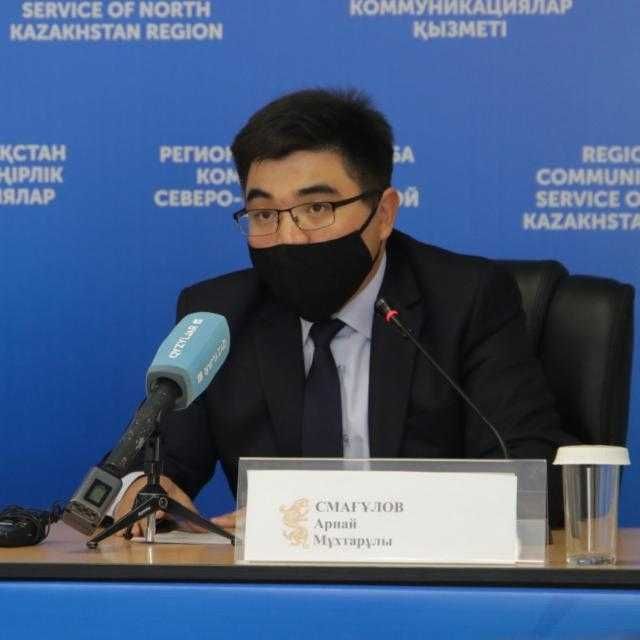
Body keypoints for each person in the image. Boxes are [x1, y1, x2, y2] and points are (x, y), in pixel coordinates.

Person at [115, 88, 578, 534]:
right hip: (277, 584)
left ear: (384, 214)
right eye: (264, 214)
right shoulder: (222, 315)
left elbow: (529, 474)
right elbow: (143, 463)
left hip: (430, 577)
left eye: (317, 207)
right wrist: (138, 487)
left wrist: (342, 520)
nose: (290, 237)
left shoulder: (466, 299)